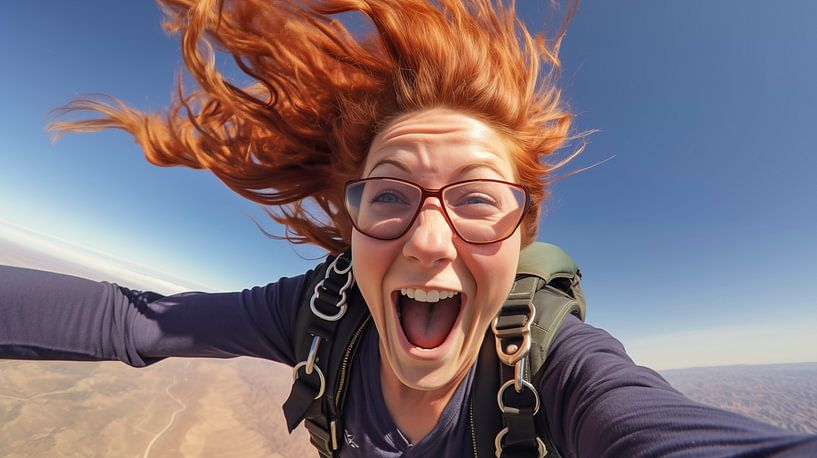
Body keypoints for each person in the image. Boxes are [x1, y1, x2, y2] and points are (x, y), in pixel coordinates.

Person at [1, 0, 816, 456]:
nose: (427, 240)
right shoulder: (320, 313)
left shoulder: (557, 371)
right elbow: (130, 321)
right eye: (389, 196)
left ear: (520, 230)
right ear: (351, 225)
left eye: (475, 198)